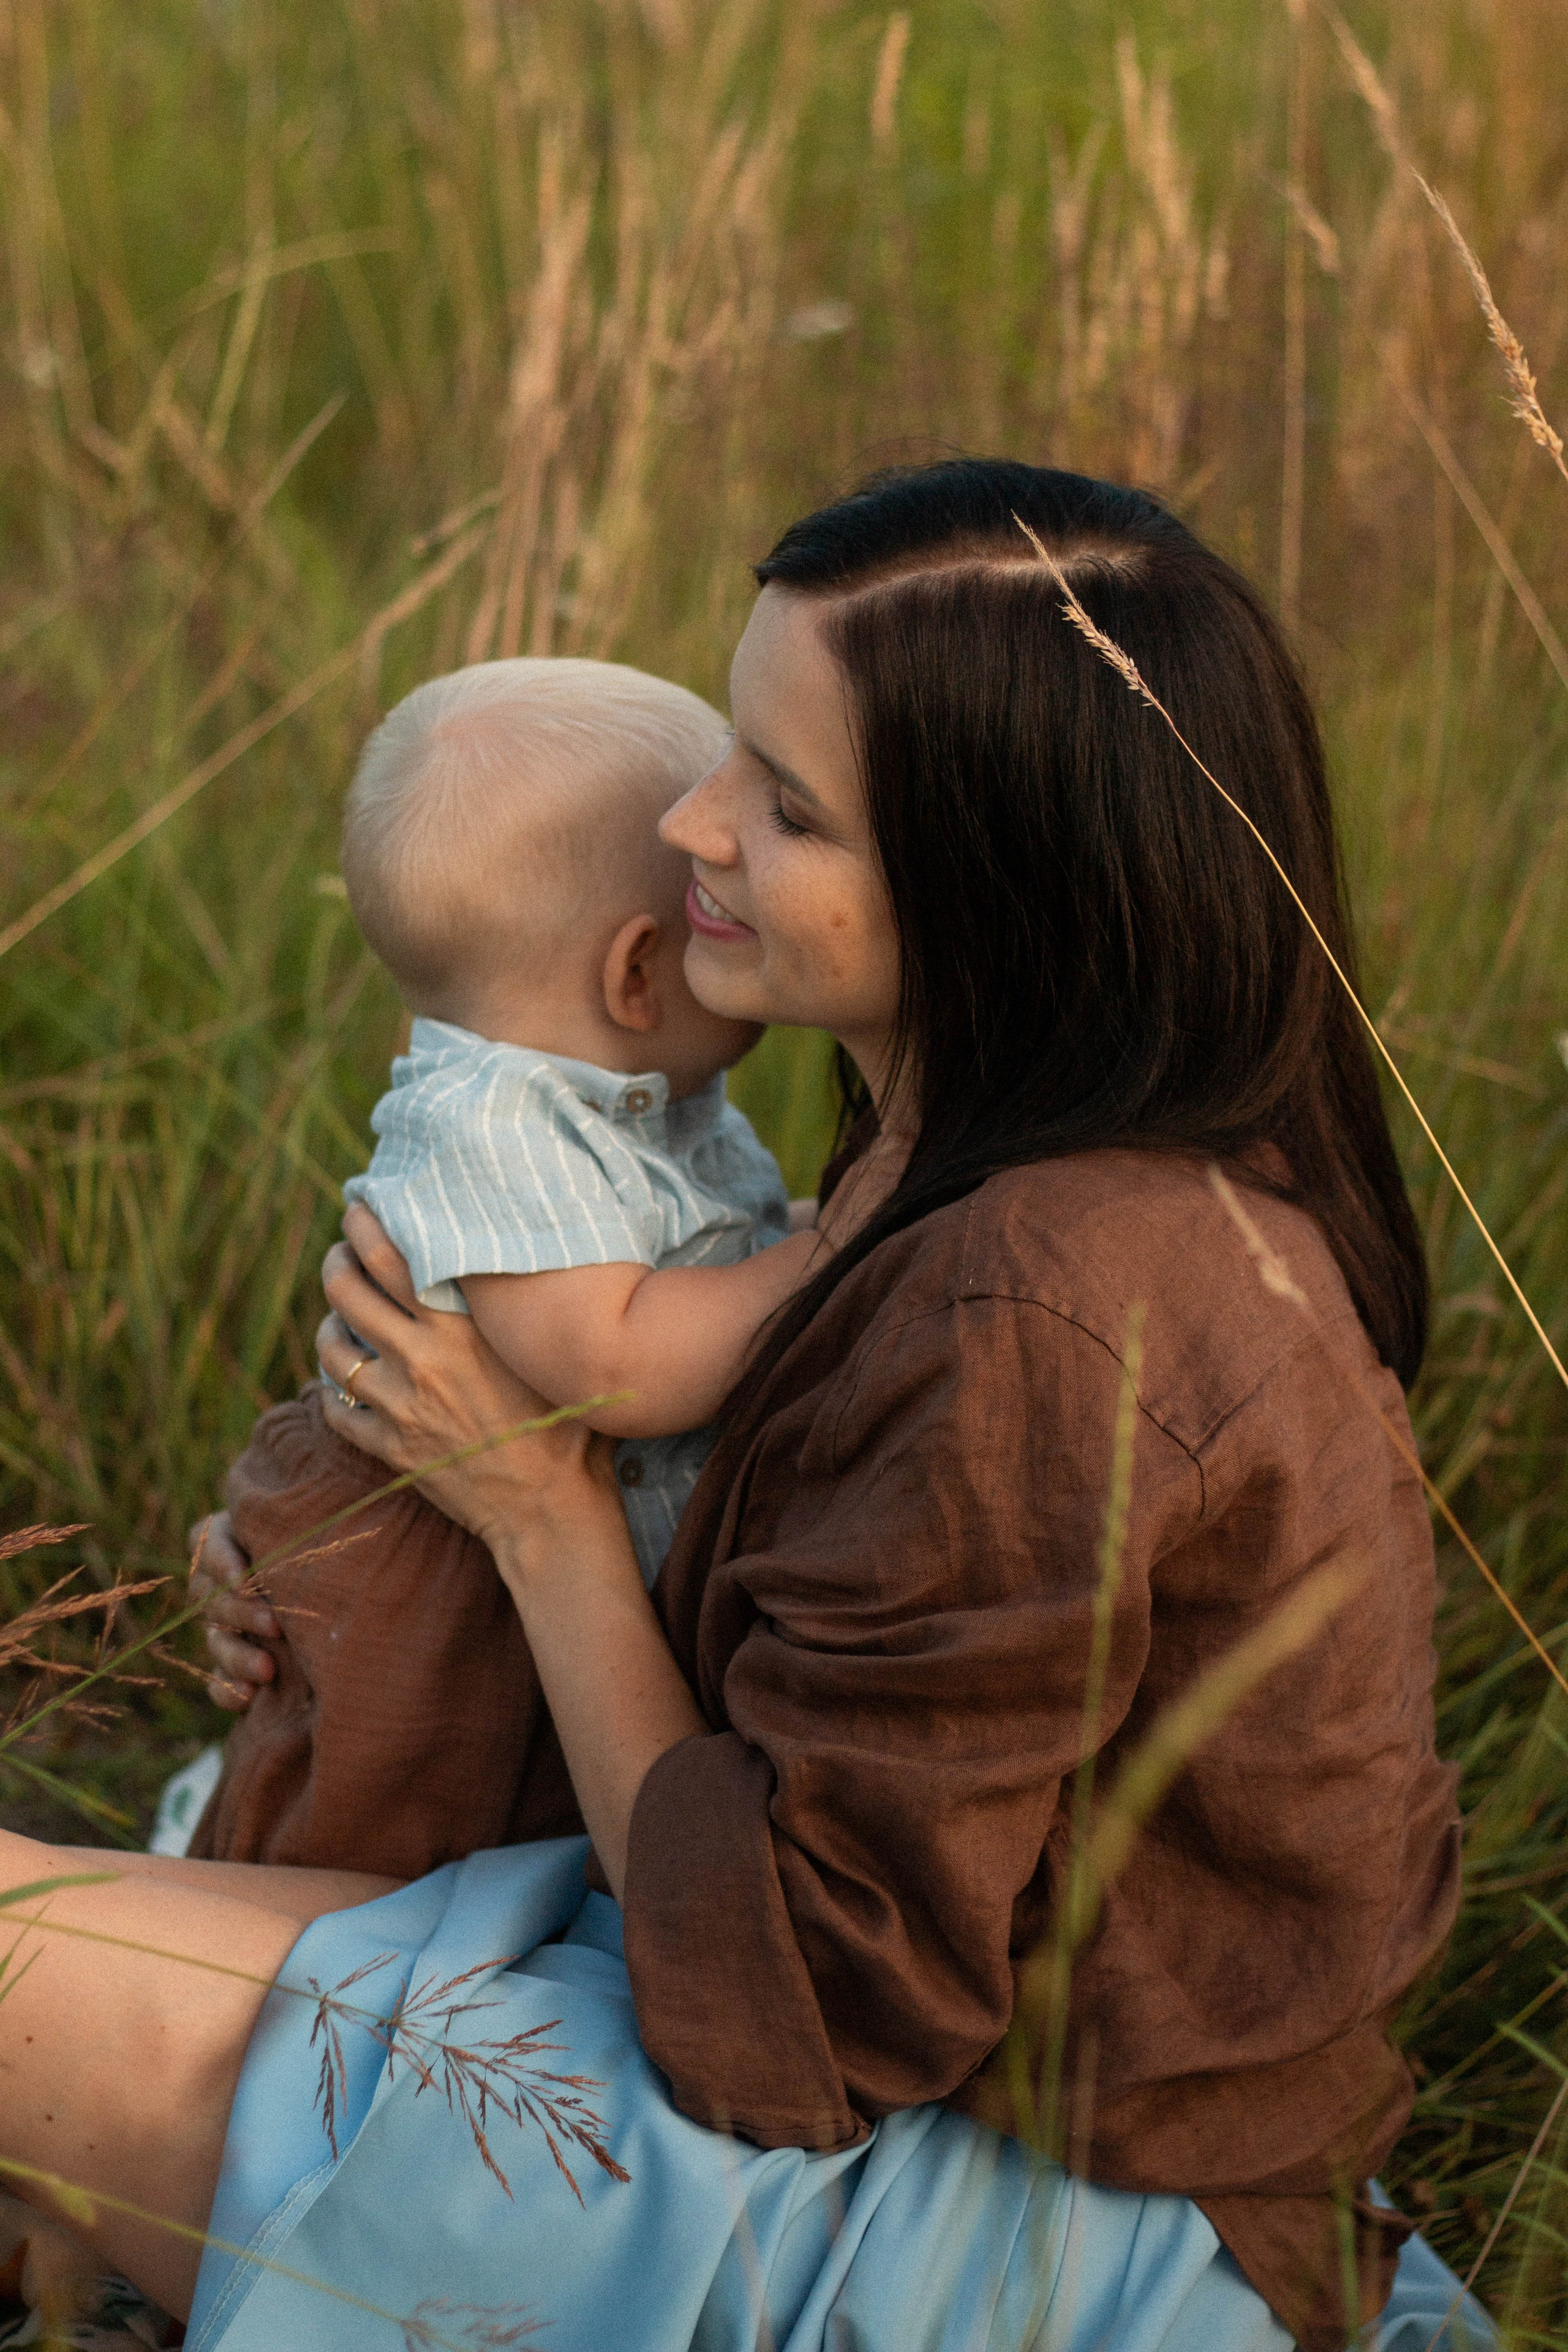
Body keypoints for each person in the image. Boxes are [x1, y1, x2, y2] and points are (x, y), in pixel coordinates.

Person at [0, 461, 1491, 2352]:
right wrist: (341, 1558)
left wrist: (531, 1513)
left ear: (984, 888)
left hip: (998, 2201)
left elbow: (787, 2023)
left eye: (785, 807)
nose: (691, 825)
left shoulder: (1055, 1296)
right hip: (866, 2043)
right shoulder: (975, 1150)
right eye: (728, 750)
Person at [189, 654, 823, 1878]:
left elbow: (698, 1253)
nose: (729, 869)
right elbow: (619, 1362)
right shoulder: (496, 1121)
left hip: (502, 1530)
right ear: (635, 971)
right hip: (417, 1568)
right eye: (707, 899)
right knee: (367, 1820)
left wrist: (789, 1236)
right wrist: (827, 1258)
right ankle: (240, 1955)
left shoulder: (640, 1098)